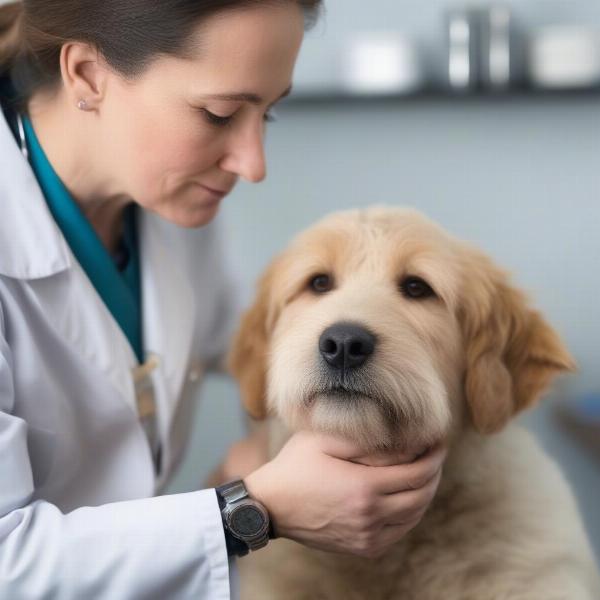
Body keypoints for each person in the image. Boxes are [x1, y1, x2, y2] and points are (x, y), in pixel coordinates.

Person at [0, 1, 447, 597]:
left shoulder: (174, 212)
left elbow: (255, 353)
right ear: (86, 74)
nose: (252, 164)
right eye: (219, 113)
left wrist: (266, 449)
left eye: (270, 114)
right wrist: (252, 510)